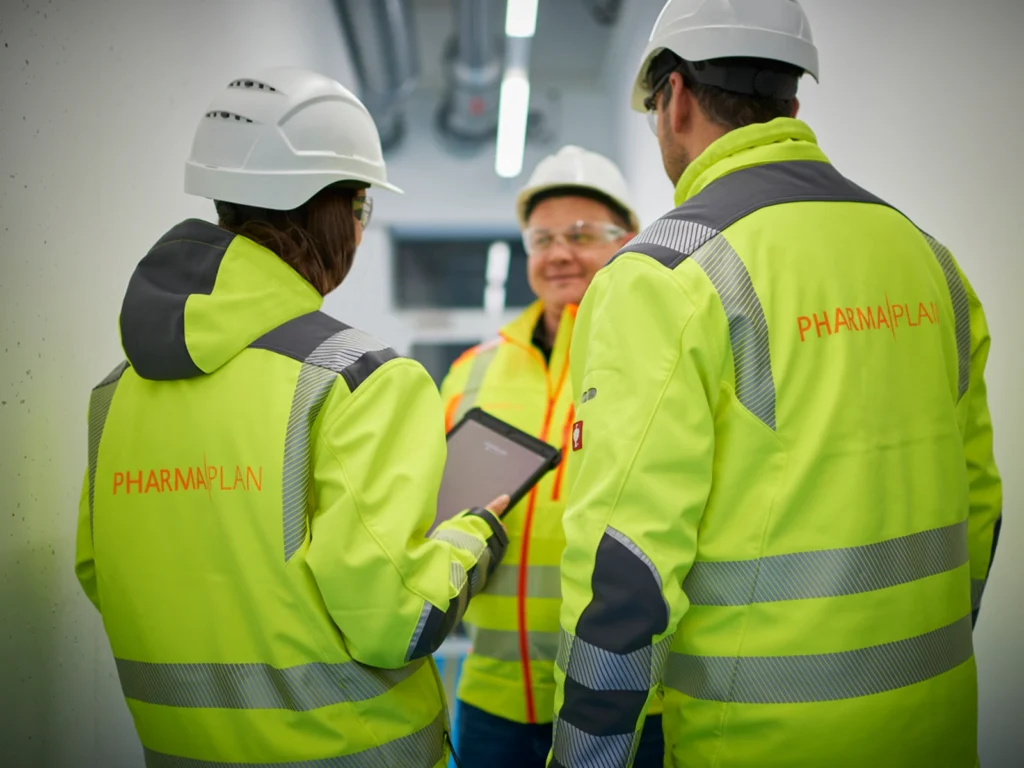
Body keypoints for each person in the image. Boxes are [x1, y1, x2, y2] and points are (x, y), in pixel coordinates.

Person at [551, 2, 1002, 767]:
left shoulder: (663, 277)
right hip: (938, 722)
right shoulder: (927, 256)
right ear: (793, 102)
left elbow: (625, 569)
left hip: (760, 740)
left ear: (676, 100)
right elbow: (979, 505)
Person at [73, 66, 509, 767]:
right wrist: (473, 536)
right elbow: (393, 622)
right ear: (330, 211)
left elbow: (101, 572)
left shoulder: (115, 391)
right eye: (361, 209)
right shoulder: (363, 380)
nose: (360, 233)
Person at [439, 146, 662, 767]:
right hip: (490, 695)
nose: (559, 253)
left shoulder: (659, 359)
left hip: (626, 695)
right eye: (542, 238)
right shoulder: (470, 371)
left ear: (629, 241)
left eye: (582, 234)